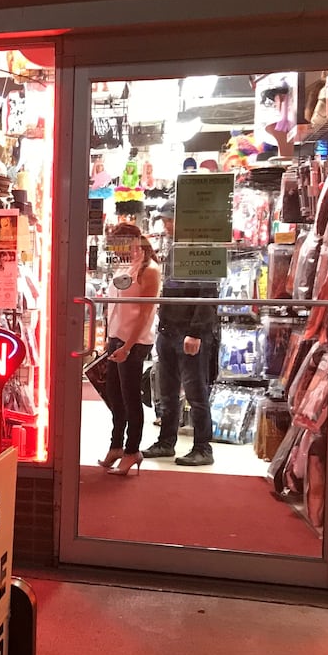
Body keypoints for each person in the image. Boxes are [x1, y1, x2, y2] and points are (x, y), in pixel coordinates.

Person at [142, 202, 218, 466]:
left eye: (169, 220)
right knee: (168, 391)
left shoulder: (203, 248)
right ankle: (166, 441)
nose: (166, 225)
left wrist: (196, 331)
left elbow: (208, 293)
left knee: (196, 393)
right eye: (164, 220)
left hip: (188, 331)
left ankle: (202, 447)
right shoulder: (176, 247)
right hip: (169, 328)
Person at [100, 223, 161, 476]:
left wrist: (127, 345)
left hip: (133, 342)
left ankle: (132, 449)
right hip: (117, 337)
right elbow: (115, 306)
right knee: (115, 395)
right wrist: (110, 338)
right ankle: (117, 445)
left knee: (130, 397)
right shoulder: (126, 266)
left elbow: (145, 313)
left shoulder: (150, 270)